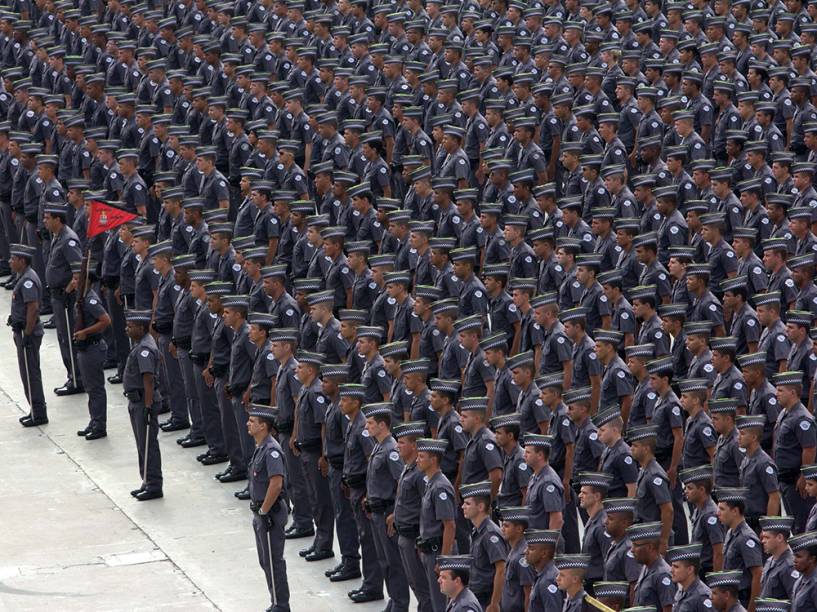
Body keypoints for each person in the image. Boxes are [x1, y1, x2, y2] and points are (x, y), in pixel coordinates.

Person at [363, 402, 410, 612]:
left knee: (393, 562)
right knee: (384, 560)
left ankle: (400, 604)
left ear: (382, 425)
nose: (367, 426)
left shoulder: (391, 449)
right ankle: (394, 598)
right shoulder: (378, 446)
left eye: (371, 423)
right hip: (376, 510)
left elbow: (401, 481)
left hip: (387, 512)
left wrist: (395, 513)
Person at [246, 404, 290, 612]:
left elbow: (276, 483)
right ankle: (275, 601)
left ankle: (281, 605)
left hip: (270, 513)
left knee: (274, 561)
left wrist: (264, 510)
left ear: (263, 426)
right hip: (261, 512)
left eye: (252, 421)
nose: (248, 424)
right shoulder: (260, 447)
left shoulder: (271, 450)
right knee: (266, 560)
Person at [122, 309, 163, 501]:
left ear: (140, 327)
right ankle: (146, 480)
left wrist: (147, 407)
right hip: (136, 400)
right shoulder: (140, 343)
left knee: (148, 444)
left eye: (130, 327)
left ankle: (153, 484)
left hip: (142, 401)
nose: (127, 329)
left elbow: (148, 380)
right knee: (142, 444)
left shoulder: (144, 349)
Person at [72, 257, 111, 440]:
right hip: (85, 349)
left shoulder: (91, 300)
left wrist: (85, 332)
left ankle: (99, 425)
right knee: (90, 388)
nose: (73, 281)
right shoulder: (82, 298)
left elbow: (106, 320)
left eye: (76, 278)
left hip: (93, 347)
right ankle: (94, 420)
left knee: (95, 388)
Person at [9, 243, 47, 427]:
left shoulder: (28, 280)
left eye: (13, 259)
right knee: (28, 373)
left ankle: (38, 413)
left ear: (22, 261)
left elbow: (33, 308)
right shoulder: (23, 276)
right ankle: (35, 409)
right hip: (24, 330)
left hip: (28, 334)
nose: (10, 262)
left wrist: (27, 333)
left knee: (30, 374)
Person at [459, 481, 508, 610]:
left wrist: (495, 603)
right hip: (477, 596)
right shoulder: (477, 531)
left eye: (468, 503)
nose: (463, 506)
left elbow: (501, 569)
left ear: (480, 507)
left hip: (487, 598)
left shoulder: (490, 534)